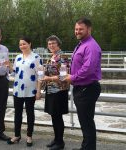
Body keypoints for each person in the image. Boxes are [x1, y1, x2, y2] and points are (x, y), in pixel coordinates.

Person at [63, 17, 102, 150]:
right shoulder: (82, 44)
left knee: (86, 122)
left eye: (81, 29)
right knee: (85, 121)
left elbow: (88, 69)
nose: (77, 31)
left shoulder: (91, 46)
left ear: (89, 29)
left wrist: (72, 77)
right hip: (82, 88)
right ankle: (86, 147)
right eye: (76, 29)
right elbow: (80, 64)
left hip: (87, 88)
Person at [7, 36, 42, 147]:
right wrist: (9, 65)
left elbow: (40, 75)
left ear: (30, 44)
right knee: (17, 114)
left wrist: (38, 91)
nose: (22, 46)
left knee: (30, 114)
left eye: (24, 44)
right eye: (21, 44)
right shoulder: (18, 57)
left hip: (31, 90)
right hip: (17, 90)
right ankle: (17, 135)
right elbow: (14, 72)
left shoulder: (36, 57)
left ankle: (29, 136)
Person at [41, 35, 69, 150]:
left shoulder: (62, 57)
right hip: (51, 90)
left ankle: (60, 142)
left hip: (59, 91)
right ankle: (56, 139)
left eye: (53, 43)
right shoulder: (52, 57)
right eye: (49, 44)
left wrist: (48, 79)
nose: (51, 45)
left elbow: (63, 76)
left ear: (58, 44)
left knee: (57, 117)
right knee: (54, 116)